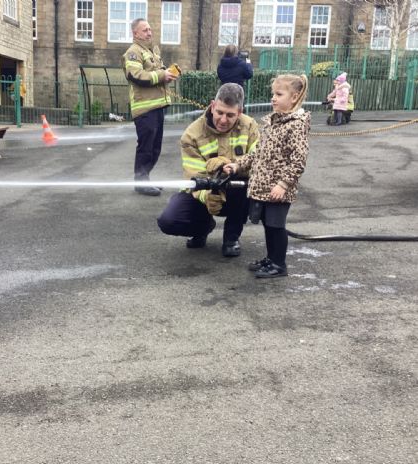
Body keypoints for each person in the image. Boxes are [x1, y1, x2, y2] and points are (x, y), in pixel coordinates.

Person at [157, 83, 259, 257]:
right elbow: (193, 175)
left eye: (230, 115)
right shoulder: (192, 134)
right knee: (169, 221)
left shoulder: (249, 126)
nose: (223, 120)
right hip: (203, 190)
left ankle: (232, 237)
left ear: (239, 112)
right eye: (219, 112)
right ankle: (202, 228)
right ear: (212, 106)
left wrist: (231, 165)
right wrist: (207, 197)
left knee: (244, 188)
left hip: (237, 189)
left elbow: (258, 163)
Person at [233, 74, 310, 278]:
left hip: (278, 189)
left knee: (276, 226)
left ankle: (279, 264)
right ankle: (271, 258)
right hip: (265, 187)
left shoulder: (296, 124)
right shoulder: (273, 123)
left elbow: (298, 160)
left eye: (279, 94)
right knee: (269, 225)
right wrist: (237, 165)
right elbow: (257, 153)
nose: (273, 98)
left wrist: (283, 185)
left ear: (294, 97)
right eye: (273, 94)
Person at [122, 18, 179, 196]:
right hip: (144, 109)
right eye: (145, 30)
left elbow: (157, 72)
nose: (149, 32)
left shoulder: (150, 51)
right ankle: (141, 182)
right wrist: (162, 75)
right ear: (135, 33)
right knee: (146, 147)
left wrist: (168, 73)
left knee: (155, 148)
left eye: (150, 29)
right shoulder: (133, 52)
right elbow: (136, 75)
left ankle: (145, 178)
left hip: (157, 106)